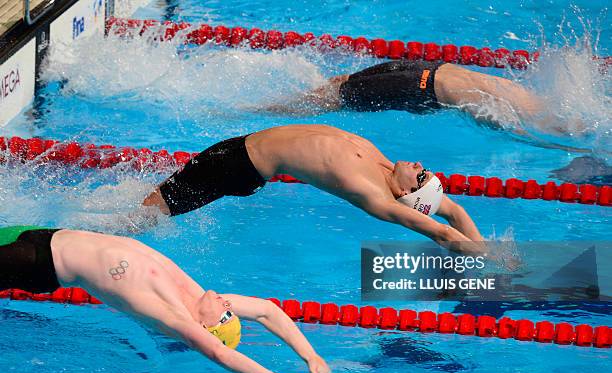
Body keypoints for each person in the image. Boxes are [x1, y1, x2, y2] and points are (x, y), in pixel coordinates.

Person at [0, 225, 329, 373]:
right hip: (47, 235)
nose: (229, 305)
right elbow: (267, 311)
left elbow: (218, 352)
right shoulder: (201, 297)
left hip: (38, 261)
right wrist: (310, 355)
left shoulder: (173, 317)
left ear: (203, 328)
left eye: (226, 314)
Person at [143, 124, 485, 255]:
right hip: (239, 149)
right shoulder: (385, 165)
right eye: (427, 172)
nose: (420, 167)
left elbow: (441, 232)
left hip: (237, 165)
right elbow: (453, 212)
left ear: (406, 195)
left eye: (421, 177)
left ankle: (106, 229)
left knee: (147, 213)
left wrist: (495, 269)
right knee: (152, 203)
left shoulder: (374, 195)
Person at [264, 60, 568, 135]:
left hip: (423, 68)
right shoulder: (505, 108)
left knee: (341, 85)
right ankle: (262, 110)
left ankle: (275, 100)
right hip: (417, 87)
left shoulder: (525, 95)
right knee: (333, 101)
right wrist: (549, 146)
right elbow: (509, 130)